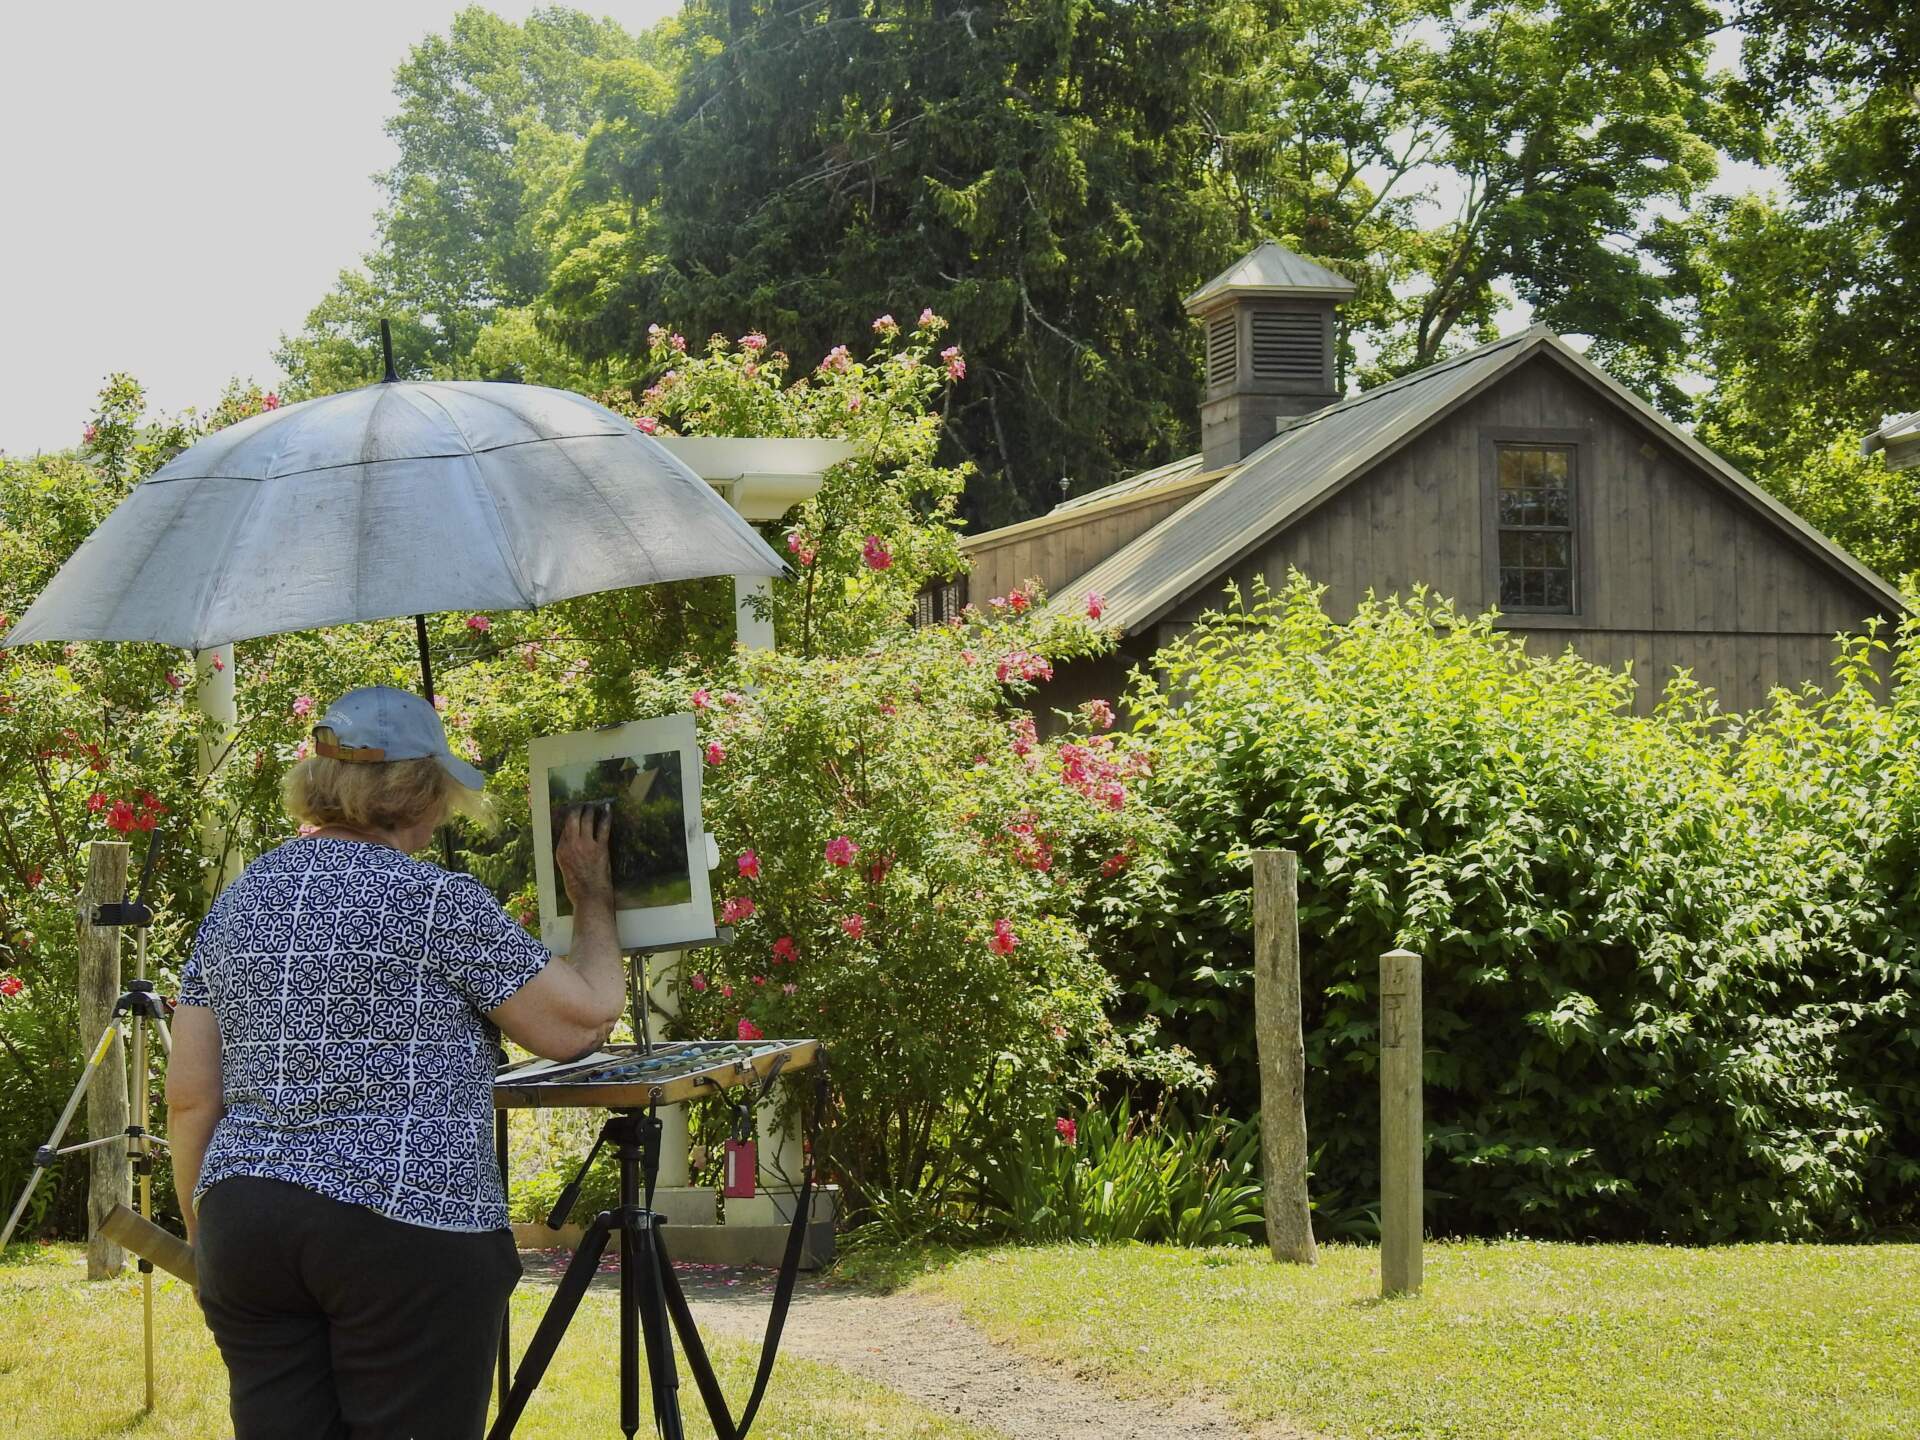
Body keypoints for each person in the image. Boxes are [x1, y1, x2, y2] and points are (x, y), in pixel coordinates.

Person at [166, 685, 626, 1439]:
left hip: (245, 1224)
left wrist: (204, 1238)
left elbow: (191, 1098)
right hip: (405, 1222)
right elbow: (583, 1020)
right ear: (417, 791)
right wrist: (592, 898)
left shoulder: (238, 904)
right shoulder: (433, 900)